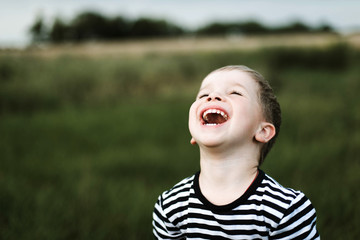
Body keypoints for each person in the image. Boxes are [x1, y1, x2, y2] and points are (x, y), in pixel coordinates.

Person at [152, 65, 320, 239]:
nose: (212, 96)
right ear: (193, 134)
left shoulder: (285, 209)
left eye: (235, 93)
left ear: (263, 131)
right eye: (203, 95)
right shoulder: (171, 205)